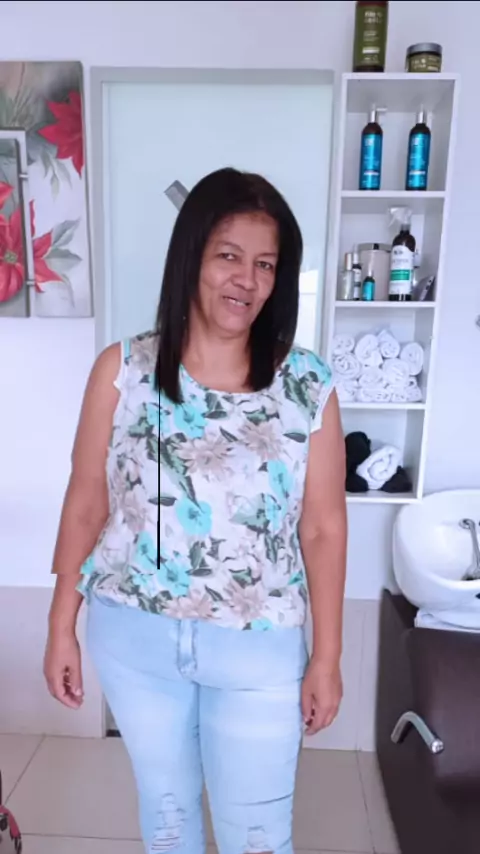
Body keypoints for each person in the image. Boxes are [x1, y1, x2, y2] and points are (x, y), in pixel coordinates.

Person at [44, 167, 347, 854]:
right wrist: (61, 623)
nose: (247, 279)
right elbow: (86, 500)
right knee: (169, 822)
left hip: (259, 650)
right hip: (133, 638)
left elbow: (324, 529)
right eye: (228, 256)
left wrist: (327, 657)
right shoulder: (123, 369)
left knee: (258, 838)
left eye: (265, 264)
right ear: (192, 258)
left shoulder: (306, 384)